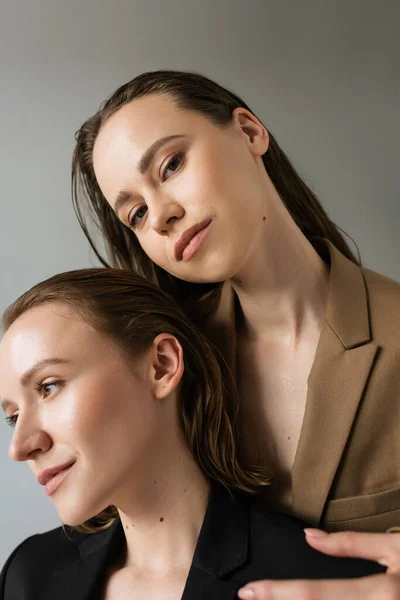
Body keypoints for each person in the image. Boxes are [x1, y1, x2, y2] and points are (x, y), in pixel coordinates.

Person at [70, 70, 400, 598]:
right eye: (135, 213)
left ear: (249, 132)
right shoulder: (169, 374)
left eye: (171, 165)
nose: (162, 215)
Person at [0, 269, 385, 599]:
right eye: (13, 417)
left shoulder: (320, 579)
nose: (19, 447)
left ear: (162, 366)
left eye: (48, 387)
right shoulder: (28, 577)